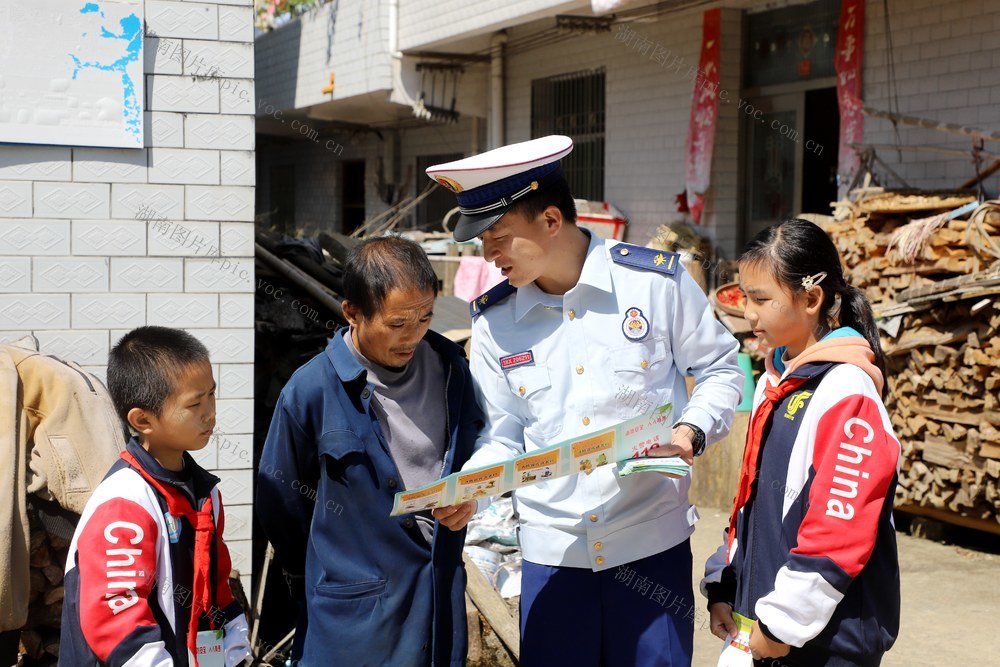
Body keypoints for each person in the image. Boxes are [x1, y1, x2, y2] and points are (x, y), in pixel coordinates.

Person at [426, 135, 743, 666]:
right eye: (482, 242)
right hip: (554, 561)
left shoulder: (653, 286)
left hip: (649, 553)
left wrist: (689, 431)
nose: (489, 255)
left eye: (499, 237)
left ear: (551, 220)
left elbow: (719, 369)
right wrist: (472, 491)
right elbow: (503, 433)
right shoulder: (494, 323)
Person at [257, 236, 485, 666]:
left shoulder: (453, 372)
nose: (413, 335)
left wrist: (473, 497)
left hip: (437, 604)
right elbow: (281, 503)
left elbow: (479, 456)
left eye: (424, 318)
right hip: (352, 623)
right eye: (397, 323)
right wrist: (335, 566)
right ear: (352, 313)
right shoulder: (311, 391)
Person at [702, 218, 900, 666]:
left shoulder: (846, 392)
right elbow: (752, 500)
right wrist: (726, 581)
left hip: (823, 644)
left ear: (811, 299)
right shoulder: (778, 378)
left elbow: (840, 526)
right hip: (768, 629)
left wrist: (779, 628)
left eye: (762, 299)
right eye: (743, 297)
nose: (749, 314)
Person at [61, 326, 253, 666]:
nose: (209, 412)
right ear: (142, 419)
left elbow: (217, 590)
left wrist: (235, 654)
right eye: (194, 403)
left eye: (211, 394)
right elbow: (116, 616)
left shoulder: (205, 494)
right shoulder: (126, 502)